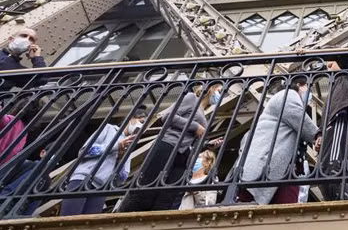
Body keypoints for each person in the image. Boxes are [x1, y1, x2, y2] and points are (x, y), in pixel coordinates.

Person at [117, 84, 221, 212]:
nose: (220, 95)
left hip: (184, 155)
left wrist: (207, 144)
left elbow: (191, 139)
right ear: (211, 88)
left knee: (168, 196)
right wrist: (195, 126)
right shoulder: (191, 98)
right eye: (219, 91)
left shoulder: (203, 113)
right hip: (169, 145)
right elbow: (167, 116)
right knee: (147, 187)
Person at [240, 78, 318, 205]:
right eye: (307, 88)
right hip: (273, 166)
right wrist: (317, 135)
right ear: (299, 85)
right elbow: (298, 116)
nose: (310, 94)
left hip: (281, 168)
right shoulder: (289, 95)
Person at [60, 107, 147, 216]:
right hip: (82, 179)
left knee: (88, 225)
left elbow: (122, 178)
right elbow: (85, 151)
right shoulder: (109, 129)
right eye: (141, 121)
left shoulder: (129, 145)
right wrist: (116, 145)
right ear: (131, 119)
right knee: (69, 219)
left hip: (101, 188)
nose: (141, 126)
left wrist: (120, 158)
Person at [315, 59, 348, 200]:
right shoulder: (336, 85)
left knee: (333, 164)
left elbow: (345, 57)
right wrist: (319, 133)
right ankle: (339, 196)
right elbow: (326, 112)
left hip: (341, 115)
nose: (329, 69)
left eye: (331, 65)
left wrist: (320, 53)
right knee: (325, 168)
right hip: (334, 120)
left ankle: (339, 199)